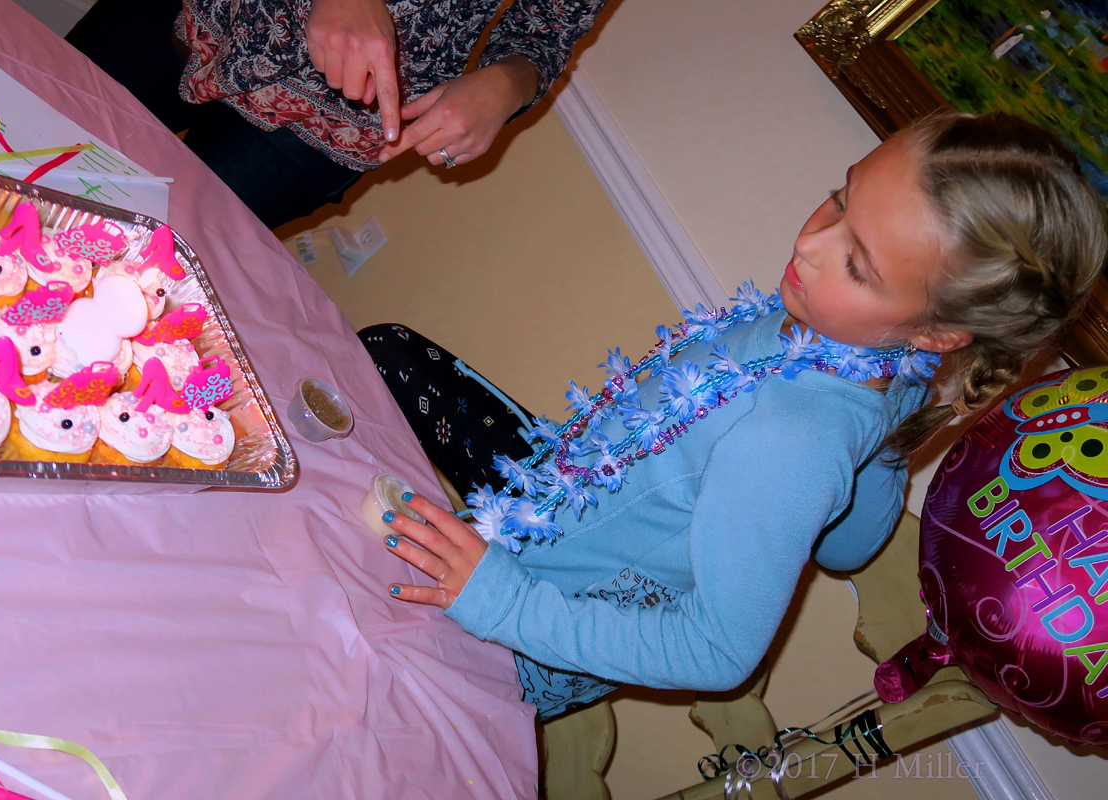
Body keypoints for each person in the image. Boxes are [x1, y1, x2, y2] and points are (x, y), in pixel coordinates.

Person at [375, 112, 1108, 720]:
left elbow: (718, 653)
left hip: (515, 634)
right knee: (384, 356)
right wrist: (892, 436)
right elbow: (845, 549)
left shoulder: (793, 439)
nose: (809, 244)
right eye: (840, 198)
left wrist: (496, 599)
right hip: (530, 511)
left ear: (938, 334)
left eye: (859, 264)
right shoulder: (863, 352)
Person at [67, 0, 606, 229]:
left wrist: (506, 85)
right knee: (18, 138)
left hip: (345, 117)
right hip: (209, 12)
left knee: (133, 262)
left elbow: (547, 31)